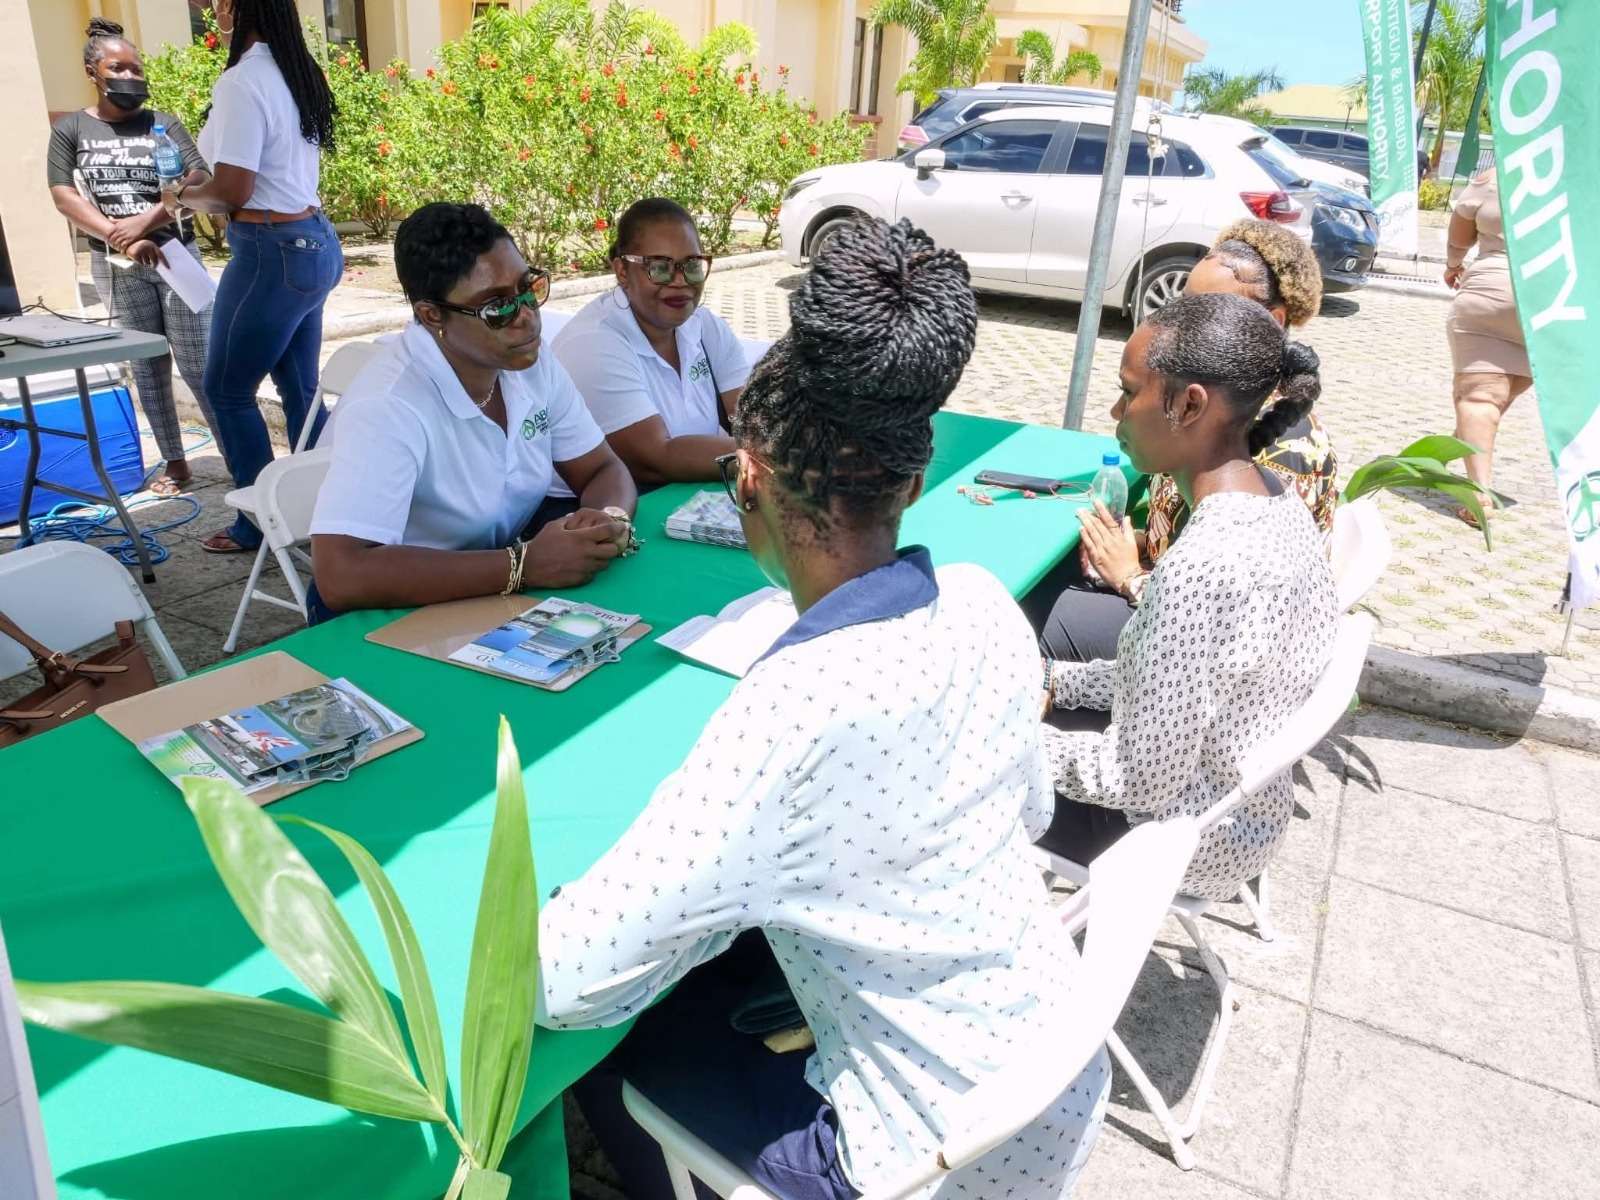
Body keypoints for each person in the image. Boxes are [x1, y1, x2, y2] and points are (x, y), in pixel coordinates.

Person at [540, 219, 1109, 1200]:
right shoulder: (981, 606)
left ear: (747, 484)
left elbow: (566, 978)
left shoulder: (791, 709)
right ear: (917, 480)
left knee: (611, 1046)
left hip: (921, 1163)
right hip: (1058, 1080)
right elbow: (1028, 816)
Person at [1036, 292, 1339, 901]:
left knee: (939, 764)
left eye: (1129, 391)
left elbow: (1134, 779)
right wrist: (1056, 682)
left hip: (1176, 842)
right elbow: (1173, 683)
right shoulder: (1275, 497)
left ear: (1188, 404)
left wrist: (1001, 736)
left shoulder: (1202, 567)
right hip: (1236, 813)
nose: (1116, 409)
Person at [1026, 218, 1337, 663]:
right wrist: (1130, 541)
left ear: (1270, 321)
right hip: (1162, 603)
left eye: (1208, 306)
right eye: (1184, 302)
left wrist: (1130, 576)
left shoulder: (1278, 454)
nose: (1182, 320)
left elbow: (1233, 610)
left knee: (1021, 616)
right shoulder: (1215, 425)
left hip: (1181, 638)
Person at [308, 203, 637, 618]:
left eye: (528, 288)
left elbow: (602, 469)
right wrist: (523, 565)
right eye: (496, 308)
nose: (527, 317)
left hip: (488, 583)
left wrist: (608, 519)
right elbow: (341, 575)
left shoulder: (529, 363)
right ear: (432, 316)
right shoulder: (389, 406)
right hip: (389, 607)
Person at [162, 0, 344, 554]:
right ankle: (329, 511)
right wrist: (203, 178)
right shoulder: (295, 69)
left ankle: (260, 523)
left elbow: (232, 191)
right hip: (311, 240)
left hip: (271, 251)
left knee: (226, 389)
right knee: (301, 390)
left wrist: (180, 198)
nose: (209, 9)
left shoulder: (243, 80)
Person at [47, 18, 216, 497]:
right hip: (117, 266)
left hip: (176, 257)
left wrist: (146, 222)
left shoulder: (163, 123)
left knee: (199, 364)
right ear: (92, 71)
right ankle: (176, 461)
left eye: (136, 67)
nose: (129, 76)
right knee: (146, 367)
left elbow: (198, 178)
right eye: (117, 67)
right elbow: (63, 194)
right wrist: (120, 238)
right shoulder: (72, 129)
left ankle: (236, 455)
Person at [552, 198, 749, 487]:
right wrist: (775, 460)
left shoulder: (704, 326)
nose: (680, 281)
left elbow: (750, 420)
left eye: (691, 265)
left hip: (684, 487)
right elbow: (656, 458)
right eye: (659, 267)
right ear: (621, 271)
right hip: (592, 509)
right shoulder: (594, 342)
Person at [1445, 168, 1527, 526]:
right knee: (1498, 391)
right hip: (1557, 299)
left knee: (1480, 399)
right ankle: (1461, 442)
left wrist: (1453, 264)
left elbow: (1461, 230)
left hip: (1492, 287)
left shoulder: (1494, 176)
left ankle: (1479, 492)